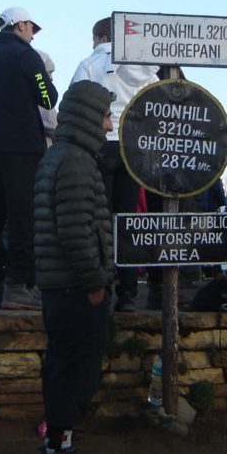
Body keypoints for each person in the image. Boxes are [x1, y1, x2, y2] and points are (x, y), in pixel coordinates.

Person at [33, 80, 115, 454]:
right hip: (75, 287)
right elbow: (76, 231)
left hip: (61, 286)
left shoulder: (61, 157)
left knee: (64, 367)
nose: (109, 122)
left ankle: (60, 447)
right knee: (73, 371)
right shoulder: (78, 163)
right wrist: (96, 282)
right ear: (87, 115)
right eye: (104, 114)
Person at [0, 7, 58, 308]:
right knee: (23, 215)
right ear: (19, 25)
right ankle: (19, 285)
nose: (33, 34)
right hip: (22, 146)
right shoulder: (27, 56)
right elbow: (47, 97)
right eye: (32, 28)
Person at [70, 16, 159, 311]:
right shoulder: (145, 67)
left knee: (100, 219)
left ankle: (102, 286)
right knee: (128, 220)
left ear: (100, 36)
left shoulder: (90, 64)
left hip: (101, 145)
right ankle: (129, 293)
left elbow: (74, 101)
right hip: (134, 149)